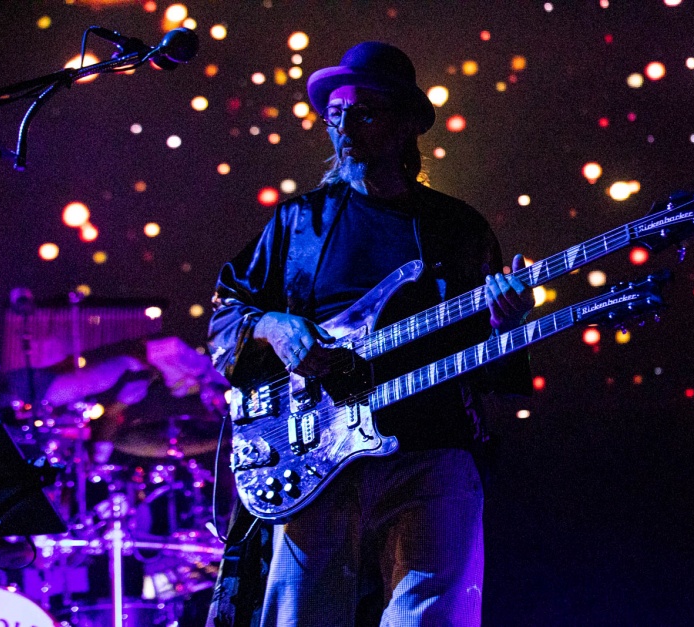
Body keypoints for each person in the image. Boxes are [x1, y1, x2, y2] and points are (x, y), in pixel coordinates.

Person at [206, 41, 534, 627]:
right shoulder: (299, 222)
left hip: (430, 451)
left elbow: (490, 369)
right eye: (334, 116)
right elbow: (226, 316)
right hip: (316, 456)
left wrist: (507, 323)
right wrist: (272, 325)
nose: (344, 129)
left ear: (406, 124)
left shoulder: (457, 228)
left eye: (363, 114)